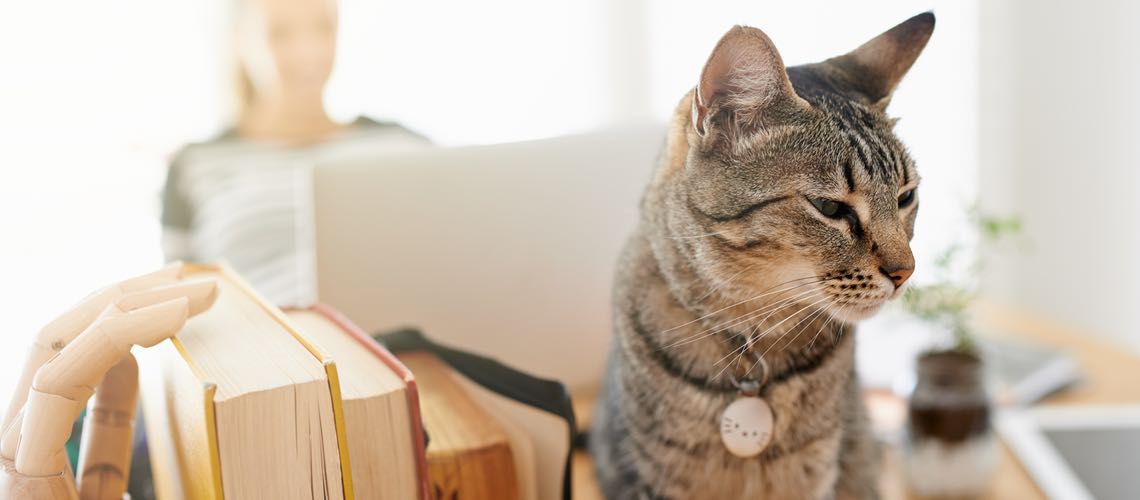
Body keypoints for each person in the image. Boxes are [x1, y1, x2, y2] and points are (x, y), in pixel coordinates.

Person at [162, 0, 428, 306]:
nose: (309, 53)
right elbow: (178, 307)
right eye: (280, 33)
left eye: (324, 27)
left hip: (405, 345)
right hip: (264, 346)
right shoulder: (194, 166)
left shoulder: (407, 147)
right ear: (238, 39)